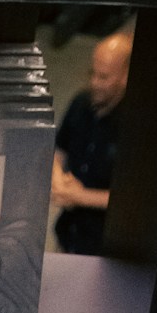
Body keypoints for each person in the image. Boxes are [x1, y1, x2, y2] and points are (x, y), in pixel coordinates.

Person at [52, 29, 132, 256]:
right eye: (92, 73)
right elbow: (59, 150)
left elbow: (135, 201)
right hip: (68, 233)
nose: (94, 83)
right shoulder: (80, 103)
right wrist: (58, 181)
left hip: (105, 247)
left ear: (126, 76)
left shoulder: (138, 127)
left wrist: (79, 197)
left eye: (104, 77)